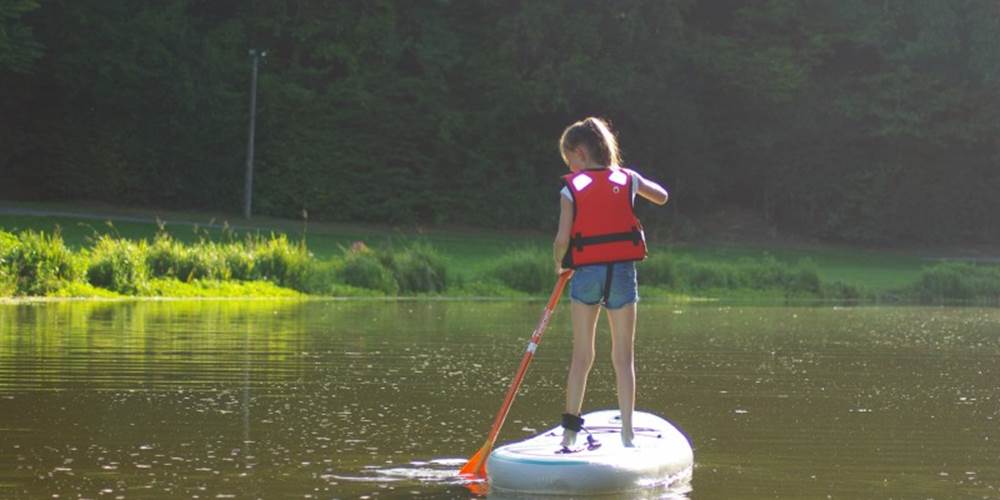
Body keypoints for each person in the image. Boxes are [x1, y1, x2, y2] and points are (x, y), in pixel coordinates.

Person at [552, 117, 669, 450]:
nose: (570, 167)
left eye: (569, 159)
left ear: (580, 152)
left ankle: (570, 434)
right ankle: (628, 436)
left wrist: (559, 265)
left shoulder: (571, 188)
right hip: (621, 273)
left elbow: (562, 239)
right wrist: (636, 183)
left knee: (581, 357)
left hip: (586, 273)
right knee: (623, 358)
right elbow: (661, 196)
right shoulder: (627, 178)